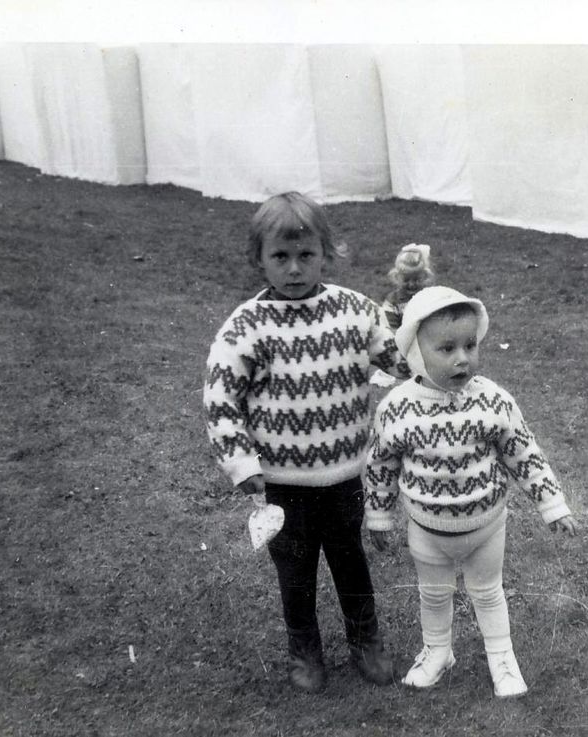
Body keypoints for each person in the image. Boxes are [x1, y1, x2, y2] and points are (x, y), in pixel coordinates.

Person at [203, 191, 408, 694]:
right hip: (283, 484)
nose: (294, 268)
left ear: (325, 254)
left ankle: (366, 641)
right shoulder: (246, 328)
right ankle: (304, 650)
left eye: (306, 255)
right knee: (295, 572)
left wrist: (416, 316)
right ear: (259, 259)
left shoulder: (356, 312)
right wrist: (240, 462)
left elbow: (399, 360)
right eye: (280, 256)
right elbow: (221, 398)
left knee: (350, 562)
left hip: (346, 476)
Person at [363, 285, 578, 698]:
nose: (462, 358)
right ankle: (437, 651)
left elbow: (524, 453)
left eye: (469, 345)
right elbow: (381, 465)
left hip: (486, 528)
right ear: (415, 351)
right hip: (427, 529)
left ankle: (502, 657)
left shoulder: (493, 401)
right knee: (433, 595)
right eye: (446, 348)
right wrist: (378, 516)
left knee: (488, 592)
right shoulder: (396, 408)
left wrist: (552, 504)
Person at [380, 243, 435, 330]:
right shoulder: (393, 302)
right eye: (406, 280)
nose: (411, 284)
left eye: (417, 280)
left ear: (424, 276)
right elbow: (389, 329)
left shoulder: (430, 297)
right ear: (397, 277)